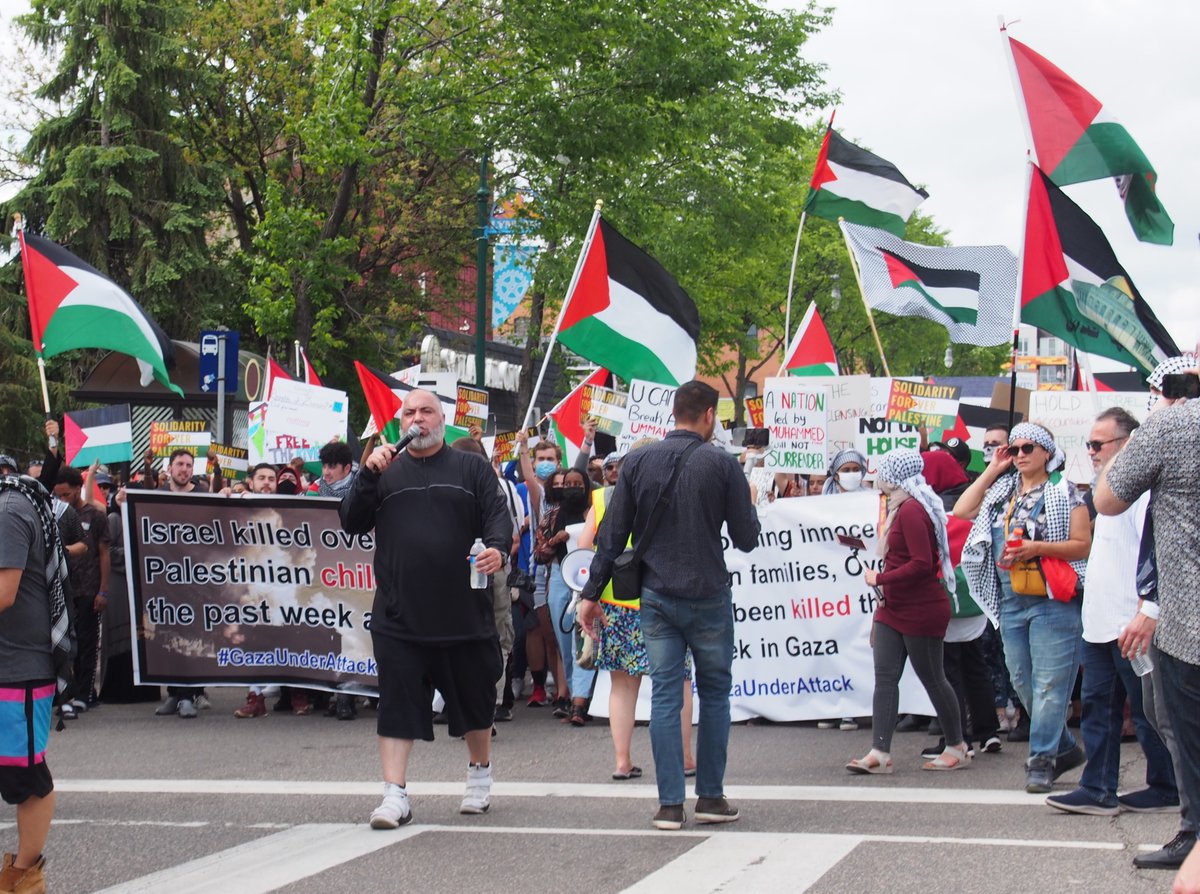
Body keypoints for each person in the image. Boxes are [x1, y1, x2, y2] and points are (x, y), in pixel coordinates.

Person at [577, 380, 759, 831]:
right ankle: (711, 797)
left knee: (663, 694)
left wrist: (590, 594)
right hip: (709, 594)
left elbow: (611, 538)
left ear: (673, 414)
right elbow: (747, 539)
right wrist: (747, 502)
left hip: (655, 597)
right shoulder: (723, 464)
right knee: (714, 694)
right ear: (710, 415)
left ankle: (670, 804)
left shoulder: (637, 461)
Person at [340, 389, 511, 828]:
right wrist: (366, 475)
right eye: (409, 412)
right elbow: (351, 521)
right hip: (399, 614)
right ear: (400, 422)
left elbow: (497, 515)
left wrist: (496, 549)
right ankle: (394, 795)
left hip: (463, 612)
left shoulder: (470, 467)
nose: (417, 419)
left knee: (475, 702)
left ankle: (479, 776)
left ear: (442, 419)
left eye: (426, 411)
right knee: (397, 704)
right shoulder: (383, 472)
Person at [1095, 355, 1200, 890]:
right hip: (1174, 610)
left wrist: (1148, 429)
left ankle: (1195, 834)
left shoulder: (1175, 424)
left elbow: (1107, 499)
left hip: (1187, 619)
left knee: (1185, 729)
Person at [1046, 407, 1177, 816]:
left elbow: (1156, 555)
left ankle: (1169, 784)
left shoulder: (1141, 493)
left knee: (1148, 713)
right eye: (1089, 444)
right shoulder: (1105, 490)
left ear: (1127, 442)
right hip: (1099, 624)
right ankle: (1097, 787)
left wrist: (1147, 611)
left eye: (1098, 444)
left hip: (1130, 625)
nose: (1092, 451)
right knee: (1098, 709)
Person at [955, 423, 1090, 793]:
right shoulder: (1001, 490)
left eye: (1028, 447)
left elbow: (1082, 545)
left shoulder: (1067, 491)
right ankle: (1063, 746)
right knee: (1021, 680)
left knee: (1050, 684)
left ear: (1047, 452)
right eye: (1014, 450)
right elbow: (963, 509)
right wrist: (993, 468)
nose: (1020, 455)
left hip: (1053, 600)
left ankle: (1042, 760)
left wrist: (1036, 549)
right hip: (1011, 600)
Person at [577, 437, 696, 780]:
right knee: (678, 681)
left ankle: (621, 760)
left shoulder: (603, 498)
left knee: (622, 686)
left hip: (617, 602)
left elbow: (585, 549)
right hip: (669, 595)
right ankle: (685, 757)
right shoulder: (679, 491)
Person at [846, 450, 969, 775]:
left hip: (920, 608)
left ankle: (957, 745)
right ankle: (880, 751)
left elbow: (921, 564)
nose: (878, 479)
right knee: (885, 678)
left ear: (894, 477)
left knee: (933, 678)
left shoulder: (913, 510)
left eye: (882, 473)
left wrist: (881, 578)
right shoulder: (901, 507)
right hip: (892, 606)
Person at [0, 471, 71, 894]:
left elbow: (5, 592)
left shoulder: (8, 509)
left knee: (26, 777)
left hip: (17, 669)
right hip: (12, 665)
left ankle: (23, 878)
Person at [536, 466, 596, 725]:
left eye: (577, 485)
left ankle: (580, 704)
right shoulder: (552, 516)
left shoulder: (595, 511)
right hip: (561, 576)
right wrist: (554, 542)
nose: (572, 489)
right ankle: (575, 694)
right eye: (567, 485)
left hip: (590, 575)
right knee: (565, 643)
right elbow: (538, 555)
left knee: (582, 640)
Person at [52, 466, 110, 716]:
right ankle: (68, 691)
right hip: (63, 588)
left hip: (89, 587)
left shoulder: (95, 516)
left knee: (87, 643)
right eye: (58, 495)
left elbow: (104, 554)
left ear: (78, 488)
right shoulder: (56, 515)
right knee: (65, 644)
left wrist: (103, 591)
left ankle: (85, 693)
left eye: (66, 495)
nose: (62, 500)